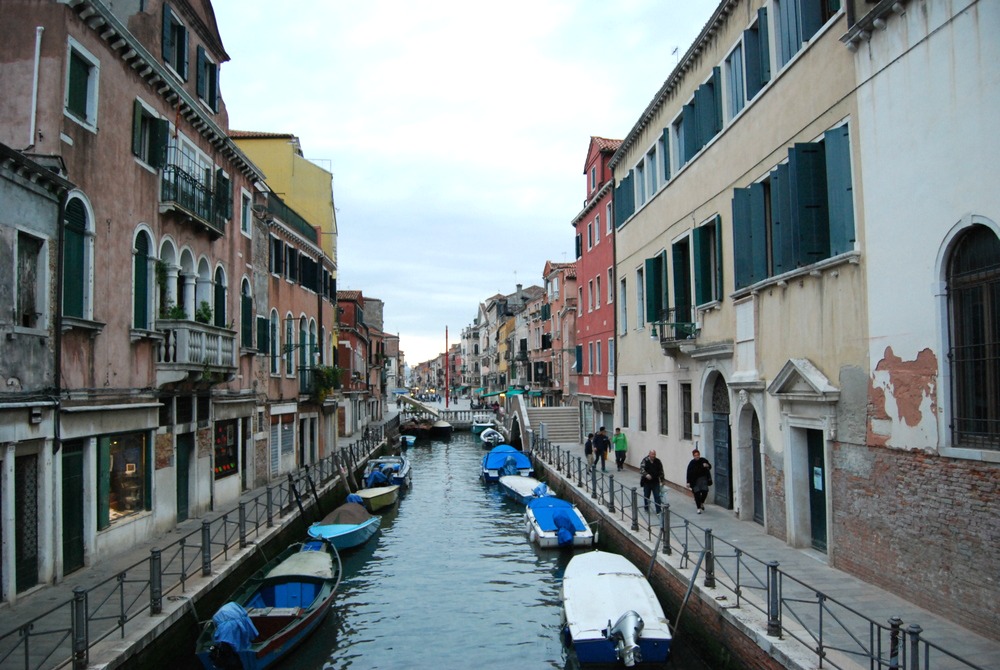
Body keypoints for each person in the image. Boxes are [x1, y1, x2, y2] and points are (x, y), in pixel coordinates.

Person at [686, 449, 713, 514]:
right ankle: (698, 508)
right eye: (695, 455)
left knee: (705, 491)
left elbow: (710, 466)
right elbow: (689, 472)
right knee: (697, 494)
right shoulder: (691, 463)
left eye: (698, 455)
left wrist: (707, 465)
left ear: (699, 455)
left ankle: (701, 502)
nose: (697, 456)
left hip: (703, 479)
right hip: (694, 480)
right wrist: (688, 482)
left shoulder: (703, 460)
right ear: (693, 456)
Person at [639, 449, 666, 513]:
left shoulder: (658, 461)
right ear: (649, 454)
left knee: (657, 496)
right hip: (647, 482)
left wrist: (662, 480)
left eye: (654, 454)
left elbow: (661, 471)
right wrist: (646, 475)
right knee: (646, 495)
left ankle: (658, 510)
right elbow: (641, 469)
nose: (653, 456)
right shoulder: (645, 460)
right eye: (652, 454)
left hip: (655, 481)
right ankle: (646, 507)